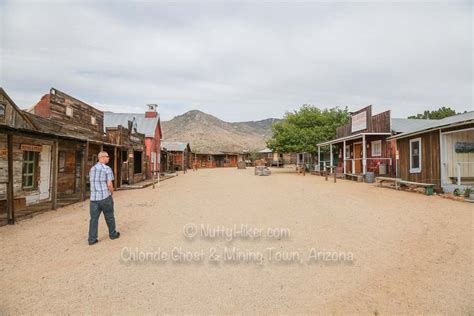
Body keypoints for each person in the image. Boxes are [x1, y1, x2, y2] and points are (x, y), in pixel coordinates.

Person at [88, 151, 120, 245]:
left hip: (93, 199)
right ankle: (113, 234)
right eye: (107, 156)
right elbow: (109, 184)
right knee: (109, 216)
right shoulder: (107, 169)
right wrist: (112, 193)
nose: (108, 158)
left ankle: (92, 239)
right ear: (102, 157)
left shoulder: (92, 169)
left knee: (93, 219)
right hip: (105, 197)